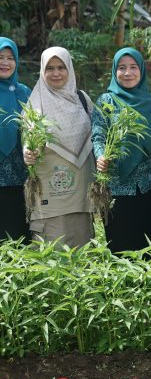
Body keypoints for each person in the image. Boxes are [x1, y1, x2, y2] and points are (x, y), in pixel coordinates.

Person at [92, 47, 151, 252]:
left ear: (141, 70)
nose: (128, 73)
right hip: (115, 185)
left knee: (149, 247)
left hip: (149, 185)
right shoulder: (106, 101)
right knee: (119, 245)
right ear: (114, 71)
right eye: (122, 68)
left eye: (133, 67)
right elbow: (98, 135)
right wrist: (101, 155)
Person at [23, 47, 95, 247]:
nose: (56, 73)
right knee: (52, 253)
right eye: (50, 68)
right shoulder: (36, 103)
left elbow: (96, 134)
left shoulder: (82, 99)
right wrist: (28, 152)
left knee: (83, 252)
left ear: (69, 69)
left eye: (61, 67)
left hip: (81, 194)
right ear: (42, 71)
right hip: (50, 194)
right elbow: (28, 138)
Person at [0, 37, 31, 240]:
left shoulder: (24, 92)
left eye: (10, 58)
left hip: (21, 174)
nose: (5, 62)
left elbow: (36, 128)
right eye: (0, 57)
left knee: (18, 233)